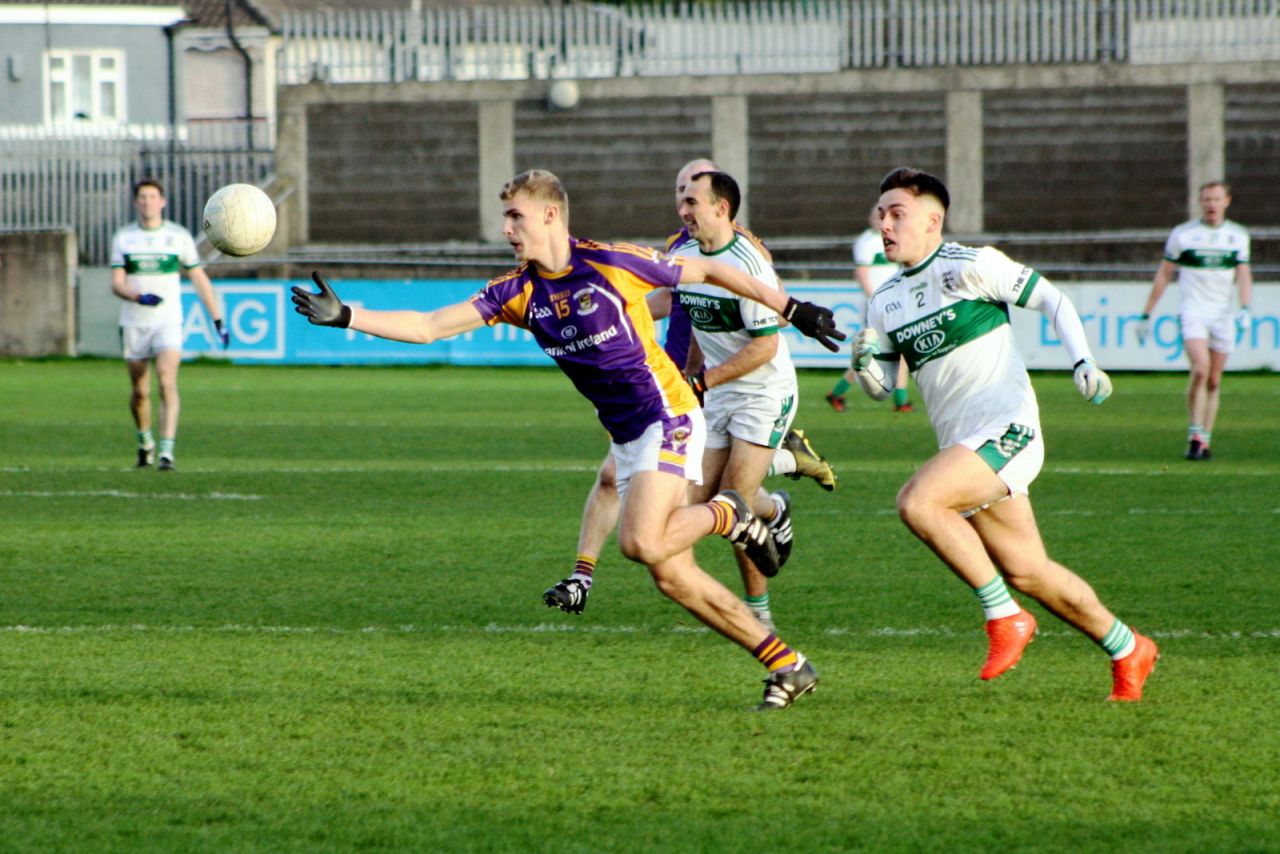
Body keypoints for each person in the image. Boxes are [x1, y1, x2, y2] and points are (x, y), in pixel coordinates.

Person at [292, 169, 844, 710]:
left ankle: (731, 513)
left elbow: (710, 273)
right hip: (629, 437)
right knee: (673, 576)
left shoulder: (609, 260)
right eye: (505, 217)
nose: (507, 229)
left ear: (551, 215)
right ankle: (787, 665)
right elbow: (431, 325)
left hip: (669, 415)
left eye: (516, 217)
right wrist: (347, 316)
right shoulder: (516, 292)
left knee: (643, 543)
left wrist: (792, 308)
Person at [851, 167, 1158, 702]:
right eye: (882, 214)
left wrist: (1084, 360)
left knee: (919, 502)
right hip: (964, 447)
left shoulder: (972, 264)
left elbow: (1053, 300)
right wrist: (866, 370)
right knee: (1029, 570)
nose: (885, 223)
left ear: (932, 220)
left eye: (897, 213)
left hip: (1008, 429)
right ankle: (1128, 647)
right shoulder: (886, 299)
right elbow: (882, 386)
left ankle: (1005, 619)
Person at [544, 158, 837, 624]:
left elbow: (764, 347)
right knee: (699, 504)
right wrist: (616, 310)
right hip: (716, 391)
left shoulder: (747, 262)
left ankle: (758, 611)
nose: (682, 207)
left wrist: (701, 380)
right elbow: (674, 303)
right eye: (680, 197)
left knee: (734, 498)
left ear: (721, 208)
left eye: (691, 200)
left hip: (762, 392)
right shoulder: (683, 247)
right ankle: (777, 501)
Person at [110, 178, 229, 471]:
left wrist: (217, 318)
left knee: (166, 381)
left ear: (162, 202)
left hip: (168, 321)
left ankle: (166, 451)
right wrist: (138, 296)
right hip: (135, 322)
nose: (147, 202)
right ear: (136, 202)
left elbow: (199, 278)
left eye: (152, 197)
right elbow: (116, 283)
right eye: (142, 197)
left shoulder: (178, 236)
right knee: (140, 391)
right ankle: (144, 442)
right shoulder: (124, 238)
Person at [1137, 181, 1252, 461]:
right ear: (1201, 203)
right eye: (1207, 199)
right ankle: (1194, 435)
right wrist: (1146, 313)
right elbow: (1164, 274)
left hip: (1222, 315)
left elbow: (1244, 273)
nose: (1211, 204)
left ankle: (1205, 440)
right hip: (1194, 312)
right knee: (1200, 369)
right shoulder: (1184, 235)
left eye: (1216, 199)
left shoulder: (1237, 236)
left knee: (1214, 380)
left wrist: (1245, 306)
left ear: (1227, 201)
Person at [826, 205, 912, 413]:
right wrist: (874, 300)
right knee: (870, 354)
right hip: (878, 307)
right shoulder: (867, 242)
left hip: (896, 304)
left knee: (900, 351)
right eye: (877, 216)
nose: (880, 220)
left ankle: (901, 401)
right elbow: (862, 273)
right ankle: (837, 393)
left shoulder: (895, 239)